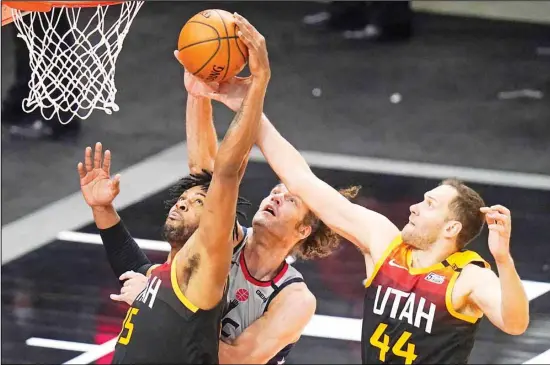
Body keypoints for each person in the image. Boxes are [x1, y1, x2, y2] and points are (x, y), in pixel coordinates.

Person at [195, 79, 530, 364]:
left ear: (451, 228)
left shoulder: (468, 277)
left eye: (429, 204)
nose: (413, 207)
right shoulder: (386, 243)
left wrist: (503, 259)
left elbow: (514, 323)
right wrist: (249, 105)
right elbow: (301, 180)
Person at [78, 25, 357, 365]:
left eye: (290, 200)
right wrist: (199, 94)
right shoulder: (228, 241)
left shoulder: (294, 297)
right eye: (274, 191)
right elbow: (206, 175)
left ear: (304, 229)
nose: (274, 198)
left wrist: (152, 302)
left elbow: (236, 358)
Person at [78, 13, 270, 364]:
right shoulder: (164, 274)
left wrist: (259, 81)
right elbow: (129, 262)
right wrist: (103, 210)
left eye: (197, 202)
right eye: (182, 199)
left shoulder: (206, 263)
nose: (181, 204)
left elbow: (223, 172)